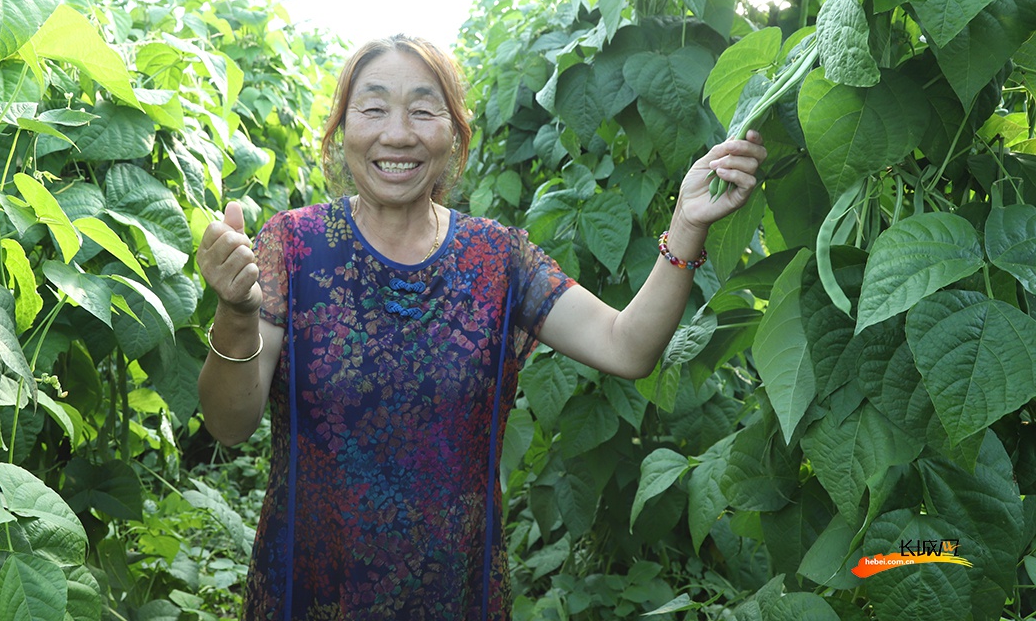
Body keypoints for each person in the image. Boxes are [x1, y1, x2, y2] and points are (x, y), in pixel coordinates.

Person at [195, 34, 766, 620]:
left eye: (423, 110)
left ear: (455, 134)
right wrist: (236, 314)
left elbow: (627, 347)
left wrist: (686, 225)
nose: (398, 133)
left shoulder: (496, 259)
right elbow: (229, 424)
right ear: (342, 130)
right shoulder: (292, 245)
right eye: (373, 109)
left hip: (454, 591)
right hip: (314, 590)